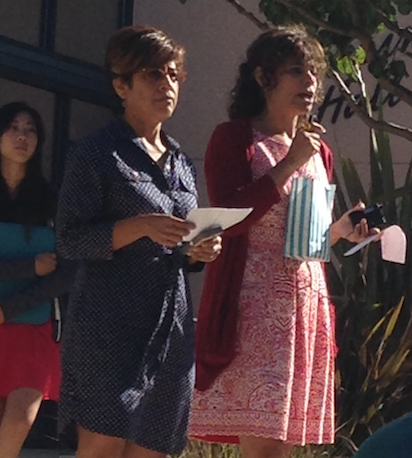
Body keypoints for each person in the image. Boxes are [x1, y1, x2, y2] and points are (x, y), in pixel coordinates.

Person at [189, 24, 373, 458]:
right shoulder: (235, 138)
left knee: (282, 450)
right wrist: (289, 162)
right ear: (262, 77)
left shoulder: (318, 150)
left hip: (305, 311)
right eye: (296, 71)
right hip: (253, 315)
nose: (310, 83)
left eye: (313, 73)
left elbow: (305, 240)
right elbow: (227, 220)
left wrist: (342, 231)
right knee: (263, 451)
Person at [56, 25, 221, 458]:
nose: (166, 84)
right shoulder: (96, 152)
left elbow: (180, 246)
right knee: (103, 448)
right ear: (121, 85)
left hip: (171, 329)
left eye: (172, 75)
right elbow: (70, 239)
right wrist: (139, 226)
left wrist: (199, 250)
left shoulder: (182, 161)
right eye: (152, 74)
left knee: (154, 448)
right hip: (108, 327)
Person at [0, 102, 75, 458]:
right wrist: (28, 266)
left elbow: (67, 270)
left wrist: (10, 308)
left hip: (34, 323)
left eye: (30, 130)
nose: (21, 136)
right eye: (13, 127)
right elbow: (40, 265)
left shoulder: (50, 199)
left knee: (20, 416)